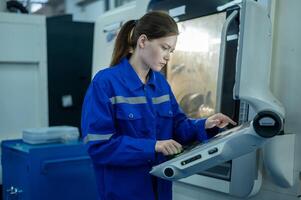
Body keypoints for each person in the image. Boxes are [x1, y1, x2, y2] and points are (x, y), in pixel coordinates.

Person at [81, 11, 236, 200]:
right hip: (124, 193)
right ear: (143, 41)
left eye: (171, 51)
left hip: (160, 192)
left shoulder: (160, 84)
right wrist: (152, 146)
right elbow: (99, 146)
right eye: (164, 47)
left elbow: (178, 127)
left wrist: (205, 124)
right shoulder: (105, 83)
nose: (168, 57)